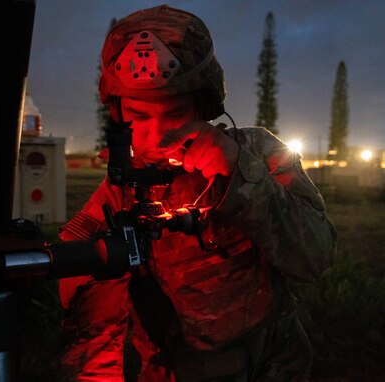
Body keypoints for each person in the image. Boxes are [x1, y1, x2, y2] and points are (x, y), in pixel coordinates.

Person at [58, 5, 336, 382]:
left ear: (204, 105)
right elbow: (91, 330)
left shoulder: (258, 154)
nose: (156, 136)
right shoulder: (116, 195)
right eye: (139, 117)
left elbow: (315, 257)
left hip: (278, 363)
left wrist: (240, 177)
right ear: (119, 115)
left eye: (175, 115)